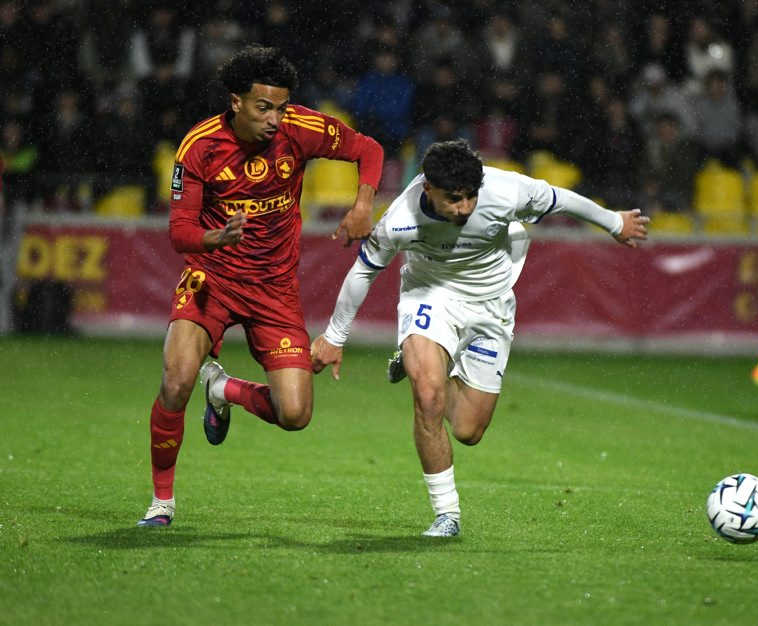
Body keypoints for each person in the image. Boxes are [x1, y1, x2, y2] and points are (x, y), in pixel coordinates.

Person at [310, 140, 649, 537]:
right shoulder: (399, 220)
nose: (465, 207)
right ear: (428, 189)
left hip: (491, 305)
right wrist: (334, 336)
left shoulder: (504, 190)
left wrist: (614, 222)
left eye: (471, 196)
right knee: (428, 398)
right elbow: (363, 271)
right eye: (454, 199)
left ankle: (426, 364)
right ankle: (446, 514)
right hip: (430, 296)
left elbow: (561, 200)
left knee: (468, 430)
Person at [137, 45, 384, 527]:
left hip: (274, 289)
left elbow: (368, 149)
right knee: (176, 381)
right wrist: (216, 237)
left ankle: (222, 387)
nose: (275, 119)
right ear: (236, 101)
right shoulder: (200, 146)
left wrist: (362, 206)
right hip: (213, 278)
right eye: (264, 107)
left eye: (281, 108)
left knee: (295, 414)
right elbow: (179, 232)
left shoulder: (300, 128)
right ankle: (162, 502)